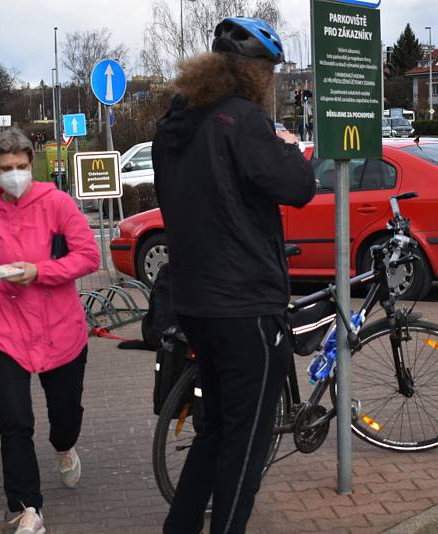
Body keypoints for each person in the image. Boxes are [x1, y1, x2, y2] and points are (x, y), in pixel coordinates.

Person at [153, 17, 316, 534]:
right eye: (269, 70)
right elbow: (297, 186)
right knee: (247, 443)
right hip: (246, 305)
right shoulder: (243, 121)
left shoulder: (174, 125)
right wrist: (288, 144)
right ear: (253, 72)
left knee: (216, 429)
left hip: (196, 301)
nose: (271, 81)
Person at [0, 128, 100, 534]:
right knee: (14, 421)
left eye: (22, 167)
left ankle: (64, 446)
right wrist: (2, 279)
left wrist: (39, 272)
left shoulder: (58, 203)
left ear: (32, 165)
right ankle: (27, 507)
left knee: (64, 416)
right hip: (4, 330)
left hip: (59, 330)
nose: (15, 174)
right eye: (6, 169)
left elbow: (88, 257)